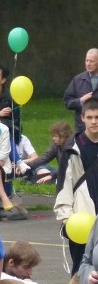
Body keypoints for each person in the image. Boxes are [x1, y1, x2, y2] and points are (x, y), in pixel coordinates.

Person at [56, 98, 98, 274]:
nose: (94, 121)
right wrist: (66, 217)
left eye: (97, 117)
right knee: (81, 271)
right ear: (82, 118)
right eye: (90, 117)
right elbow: (64, 185)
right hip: (82, 220)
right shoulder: (72, 149)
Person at [64, 48, 98, 132]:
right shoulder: (78, 79)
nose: (88, 64)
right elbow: (67, 102)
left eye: (91, 61)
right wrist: (80, 101)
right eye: (87, 61)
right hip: (83, 130)